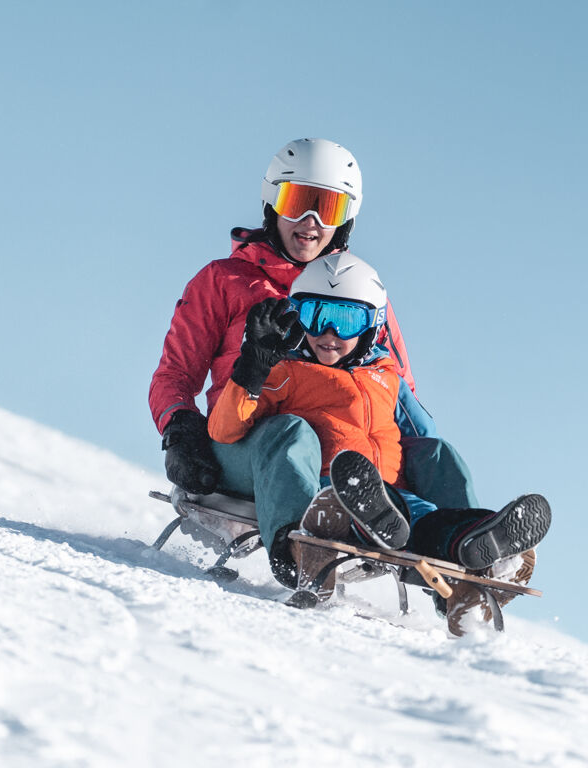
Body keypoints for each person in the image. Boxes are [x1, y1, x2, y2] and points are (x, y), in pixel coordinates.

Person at [149, 138, 477, 579]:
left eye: (328, 208)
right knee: (290, 432)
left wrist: (417, 454)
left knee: (435, 452)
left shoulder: (361, 295)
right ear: (272, 203)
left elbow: (397, 387)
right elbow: (175, 372)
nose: (311, 221)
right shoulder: (224, 281)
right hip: (249, 439)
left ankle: (464, 548)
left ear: (346, 219)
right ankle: (299, 547)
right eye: (298, 202)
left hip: (348, 454)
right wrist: (179, 428)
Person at [207, 253, 551, 635]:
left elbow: (426, 434)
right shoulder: (285, 370)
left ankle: (475, 548)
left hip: (391, 497)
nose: (329, 333)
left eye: (347, 320)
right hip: (328, 494)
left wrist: (429, 467)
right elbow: (226, 430)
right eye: (314, 316)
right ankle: (302, 549)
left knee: (430, 495)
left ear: (372, 325)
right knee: (352, 504)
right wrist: (253, 363)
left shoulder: (386, 376)